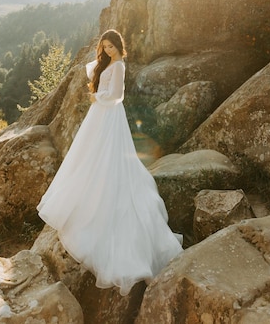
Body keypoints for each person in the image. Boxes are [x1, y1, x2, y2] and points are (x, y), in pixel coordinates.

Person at [37, 29, 183, 296]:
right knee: (89, 154)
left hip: (109, 113)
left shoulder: (119, 66)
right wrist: (97, 92)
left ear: (118, 46)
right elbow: (98, 80)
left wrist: (97, 97)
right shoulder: (106, 63)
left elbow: (117, 96)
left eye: (110, 47)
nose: (106, 51)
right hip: (99, 115)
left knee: (107, 155)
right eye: (103, 47)